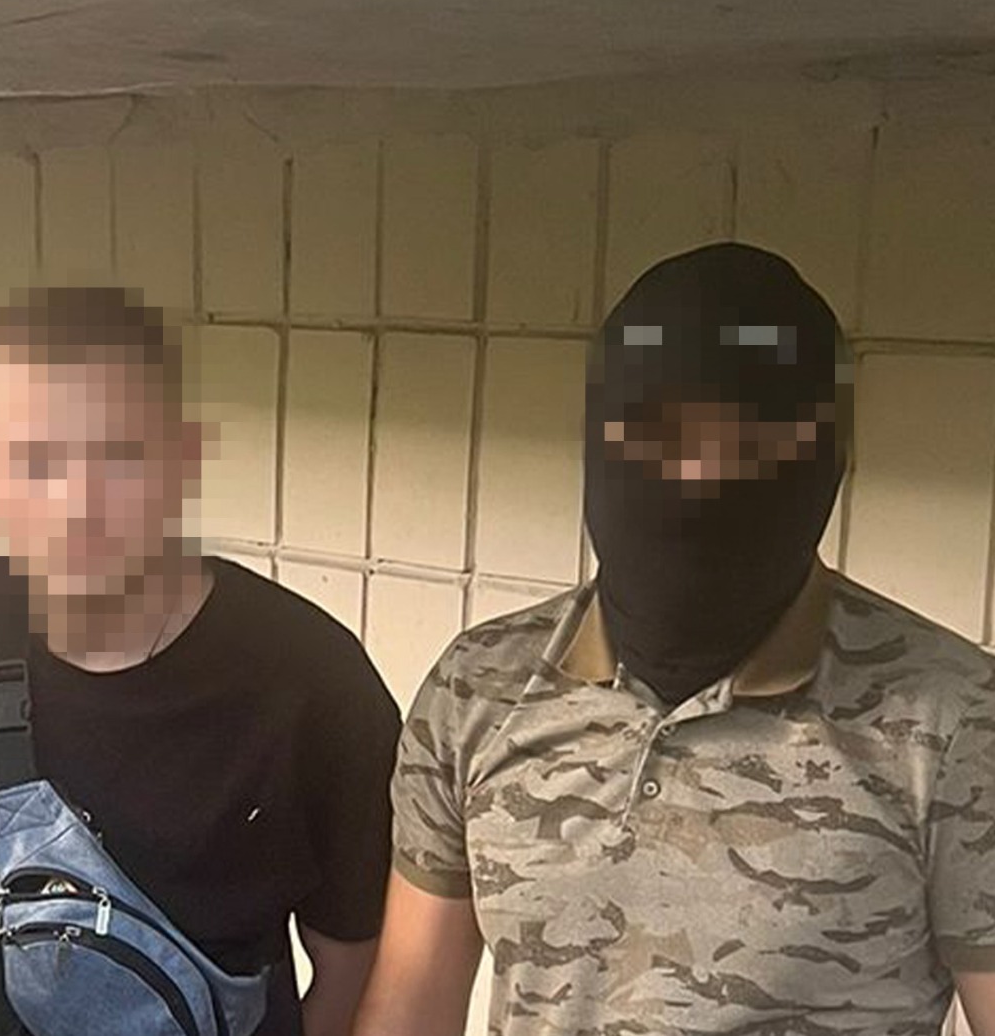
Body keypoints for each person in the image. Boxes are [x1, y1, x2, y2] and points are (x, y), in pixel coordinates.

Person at [353, 243, 995, 1036]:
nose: (695, 471)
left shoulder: (957, 722)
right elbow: (410, 1005)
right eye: (660, 431)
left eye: (747, 440)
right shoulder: (479, 687)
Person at [0, 286, 402, 1036]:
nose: (76, 502)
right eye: (34, 459)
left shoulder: (311, 683)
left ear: (183, 460)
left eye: (119, 453)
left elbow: (353, 959)